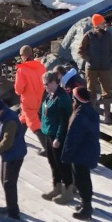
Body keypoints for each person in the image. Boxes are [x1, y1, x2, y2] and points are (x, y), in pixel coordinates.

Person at [0, 96, 27, 222]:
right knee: (4, 180)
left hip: (14, 155)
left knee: (9, 183)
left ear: (0, 109)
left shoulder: (10, 121)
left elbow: (8, 142)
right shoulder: (2, 117)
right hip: (8, 155)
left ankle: (14, 215)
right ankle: (11, 206)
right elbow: (2, 133)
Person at [62, 86, 102, 221]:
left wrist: (67, 155)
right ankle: (85, 204)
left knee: (81, 181)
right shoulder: (91, 111)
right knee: (85, 179)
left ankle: (86, 209)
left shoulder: (80, 115)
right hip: (90, 150)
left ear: (77, 100)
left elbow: (74, 138)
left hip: (80, 153)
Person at [38, 71, 75, 205]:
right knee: (52, 162)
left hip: (58, 135)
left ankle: (68, 191)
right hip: (49, 133)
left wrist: (58, 138)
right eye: (44, 84)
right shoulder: (50, 95)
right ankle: (57, 187)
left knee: (62, 163)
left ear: (56, 82)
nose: (46, 86)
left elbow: (64, 121)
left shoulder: (62, 98)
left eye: (48, 83)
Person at [77, 14, 112, 121]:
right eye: (103, 23)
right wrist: (89, 59)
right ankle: (93, 116)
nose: (105, 24)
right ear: (97, 24)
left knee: (107, 92)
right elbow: (80, 51)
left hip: (105, 67)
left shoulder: (108, 35)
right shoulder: (88, 36)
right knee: (91, 92)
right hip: (91, 68)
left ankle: (107, 117)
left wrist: (110, 60)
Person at [13, 45, 47, 154]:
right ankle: (17, 139)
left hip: (28, 101)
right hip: (40, 99)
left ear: (24, 56)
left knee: (34, 124)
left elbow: (18, 90)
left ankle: (48, 149)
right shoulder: (40, 66)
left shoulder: (22, 70)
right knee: (23, 119)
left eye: (21, 55)